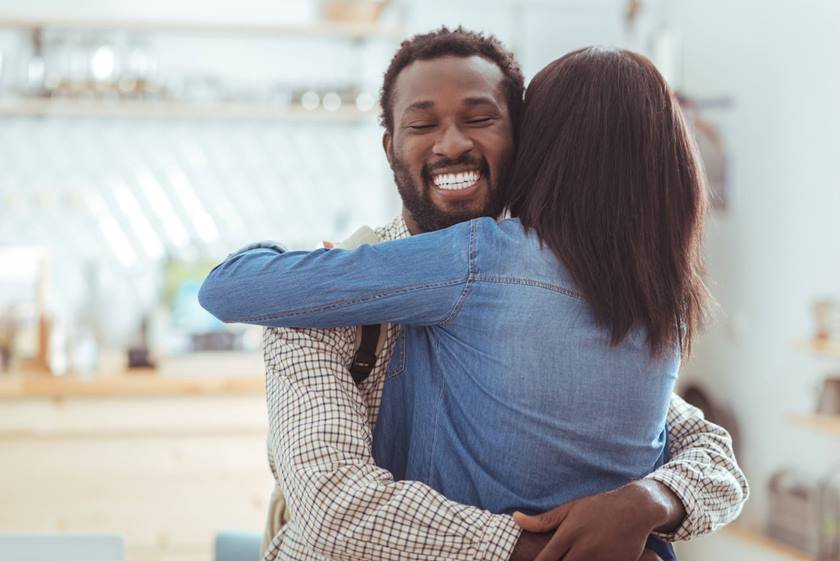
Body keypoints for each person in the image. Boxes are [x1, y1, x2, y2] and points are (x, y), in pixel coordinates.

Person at [201, 29, 748, 561]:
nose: (453, 142)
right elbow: (335, 509)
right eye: (422, 123)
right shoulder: (315, 307)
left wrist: (649, 500)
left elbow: (709, 453)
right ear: (391, 146)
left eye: (481, 118)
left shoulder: (509, 267)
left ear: (526, 142)